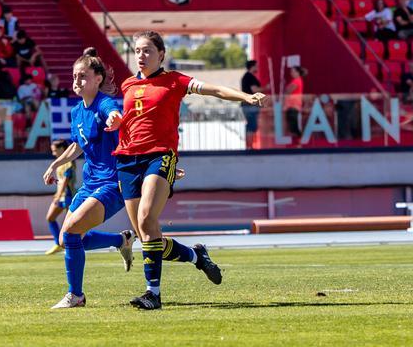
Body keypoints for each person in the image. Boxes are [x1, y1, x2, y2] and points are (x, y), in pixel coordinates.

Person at [105, 31, 265, 310]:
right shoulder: (128, 84)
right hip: (127, 159)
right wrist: (118, 120)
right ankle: (196, 256)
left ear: (161, 55)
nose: (141, 56)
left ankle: (152, 294)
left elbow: (214, 89)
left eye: (147, 51)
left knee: (145, 220)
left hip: (160, 156)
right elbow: (134, 118)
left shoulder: (175, 81)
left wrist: (246, 98)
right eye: (137, 51)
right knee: (147, 234)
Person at [41, 48, 135, 309]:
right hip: (89, 182)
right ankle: (121, 240)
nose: (76, 81)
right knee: (66, 239)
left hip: (112, 183)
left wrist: (117, 119)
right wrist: (55, 163)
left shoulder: (104, 103)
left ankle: (76, 296)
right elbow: (77, 145)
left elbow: (114, 114)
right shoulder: (76, 112)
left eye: (83, 76)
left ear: (98, 79)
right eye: (74, 76)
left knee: (71, 232)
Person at [44, 139, 77, 256]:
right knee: (50, 218)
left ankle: (72, 245)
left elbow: (65, 182)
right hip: (61, 196)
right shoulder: (59, 164)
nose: (53, 153)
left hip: (68, 196)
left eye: (54, 150)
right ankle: (58, 244)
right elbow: (61, 181)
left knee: (70, 225)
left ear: (62, 149)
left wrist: (58, 195)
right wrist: (54, 181)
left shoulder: (69, 163)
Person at [241, 60, 265, 148]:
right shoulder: (249, 77)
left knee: (251, 125)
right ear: (252, 67)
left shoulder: (247, 77)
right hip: (250, 104)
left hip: (248, 104)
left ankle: (249, 146)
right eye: (256, 66)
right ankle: (249, 146)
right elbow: (254, 90)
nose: (258, 68)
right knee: (252, 125)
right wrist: (265, 88)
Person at [284, 66, 305, 141]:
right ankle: (297, 142)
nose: (291, 73)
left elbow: (288, 91)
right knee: (292, 126)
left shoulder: (297, 81)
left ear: (297, 72)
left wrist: (286, 89)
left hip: (293, 106)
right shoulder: (295, 81)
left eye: (293, 71)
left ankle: (299, 142)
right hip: (291, 106)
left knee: (293, 126)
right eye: (291, 71)